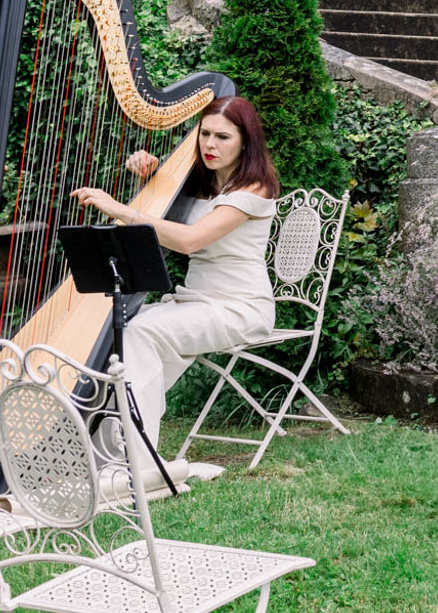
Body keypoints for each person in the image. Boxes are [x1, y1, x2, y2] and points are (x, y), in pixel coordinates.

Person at [70, 95, 281, 485]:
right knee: (117, 331)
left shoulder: (254, 190)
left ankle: (138, 464)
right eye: (205, 134)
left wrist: (121, 209)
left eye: (223, 137)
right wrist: (149, 176)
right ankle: (107, 454)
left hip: (239, 308)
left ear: (245, 142)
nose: (210, 145)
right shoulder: (200, 181)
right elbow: (167, 213)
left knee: (140, 332)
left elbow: (189, 240)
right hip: (194, 302)